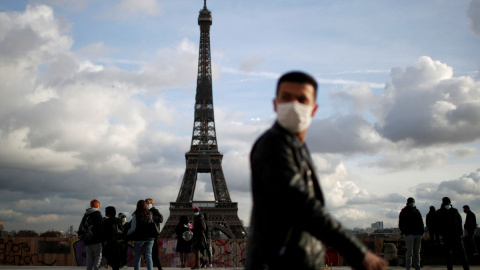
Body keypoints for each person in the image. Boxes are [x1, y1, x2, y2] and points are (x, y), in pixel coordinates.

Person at [246, 71, 387, 270]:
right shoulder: (273, 145)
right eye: (286, 98)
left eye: (302, 99)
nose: (294, 105)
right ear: (275, 104)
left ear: (313, 109)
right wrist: (357, 252)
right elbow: (302, 206)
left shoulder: (296, 147)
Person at [436, 197, 469, 270]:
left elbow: (438, 224)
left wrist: (440, 235)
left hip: (447, 236)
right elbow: (459, 222)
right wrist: (460, 233)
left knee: (448, 255)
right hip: (456, 235)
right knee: (462, 255)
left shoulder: (440, 212)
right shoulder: (455, 211)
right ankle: (466, 268)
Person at [127, 200, 158, 270]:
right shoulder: (150, 213)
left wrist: (127, 233)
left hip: (139, 238)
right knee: (149, 256)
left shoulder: (136, 214)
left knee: (137, 257)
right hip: (150, 238)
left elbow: (133, 228)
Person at [398, 197, 424, 270]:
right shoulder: (416, 211)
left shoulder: (404, 211)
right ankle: (416, 267)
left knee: (411, 253)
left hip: (410, 234)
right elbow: (421, 223)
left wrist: (405, 233)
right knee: (416, 253)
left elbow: (401, 224)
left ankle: (409, 267)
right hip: (415, 234)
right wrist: (421, 232)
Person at [82, 199, 104, 270]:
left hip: (87, 239)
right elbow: (101, 227)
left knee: (89, 257)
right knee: (98, 256)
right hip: (96, 240)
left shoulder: (86, 214)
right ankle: (96, 268)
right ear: (97, 206)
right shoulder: (97, 214)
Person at [146, 198, 164, 270]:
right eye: (146, 204)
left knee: (153, 253)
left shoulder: (154, 211)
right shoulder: (146, 211)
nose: (147, 205)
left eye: (148, 204)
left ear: (151, 204)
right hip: (147, 234)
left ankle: (159, 267)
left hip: (153, 234)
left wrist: (151, 217)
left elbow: (161, 219)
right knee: (151, 253)